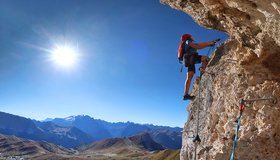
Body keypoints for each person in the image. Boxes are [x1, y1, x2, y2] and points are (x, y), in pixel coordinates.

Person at [180, 34, 217, 100]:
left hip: (187, 60)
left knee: (189, 77)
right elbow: (198, 46)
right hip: (191, 58)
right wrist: (210, 43)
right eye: (191, 36)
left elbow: (198, 45)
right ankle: (202, 74)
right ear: (188, 37)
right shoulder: (187, 41)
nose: (192, 36)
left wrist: (209, 43)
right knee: (205, 58)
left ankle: (186, 95)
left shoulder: (185, 44)